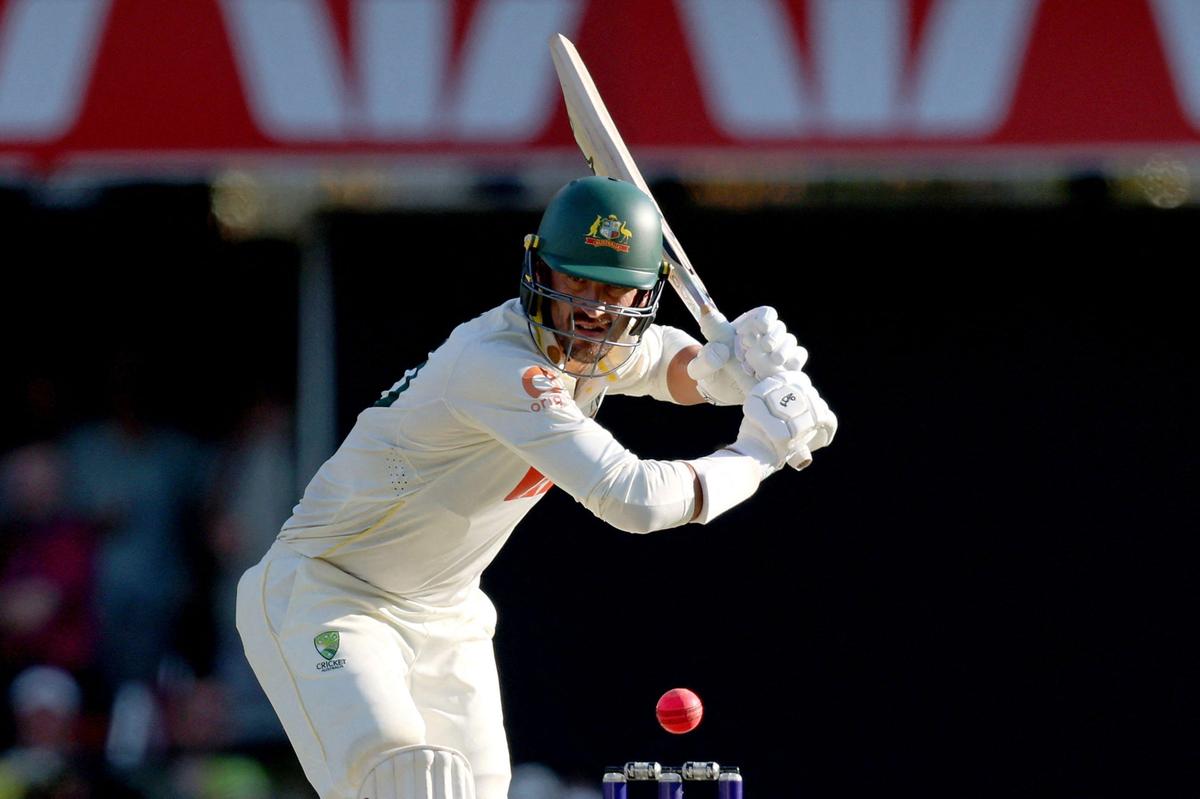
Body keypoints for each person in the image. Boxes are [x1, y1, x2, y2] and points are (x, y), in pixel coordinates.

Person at [236, 176, 837, 799]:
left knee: (479, 788)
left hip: (447, 611)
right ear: (539, 273)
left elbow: (667, 363)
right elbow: (632, 497)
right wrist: (761, 452)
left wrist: (730, 375)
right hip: (329, 592)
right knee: (404, 777)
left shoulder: (598, 344)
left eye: (611, 291)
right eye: (574, 281)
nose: (589, 309)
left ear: (640, 297)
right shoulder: (498, 363)